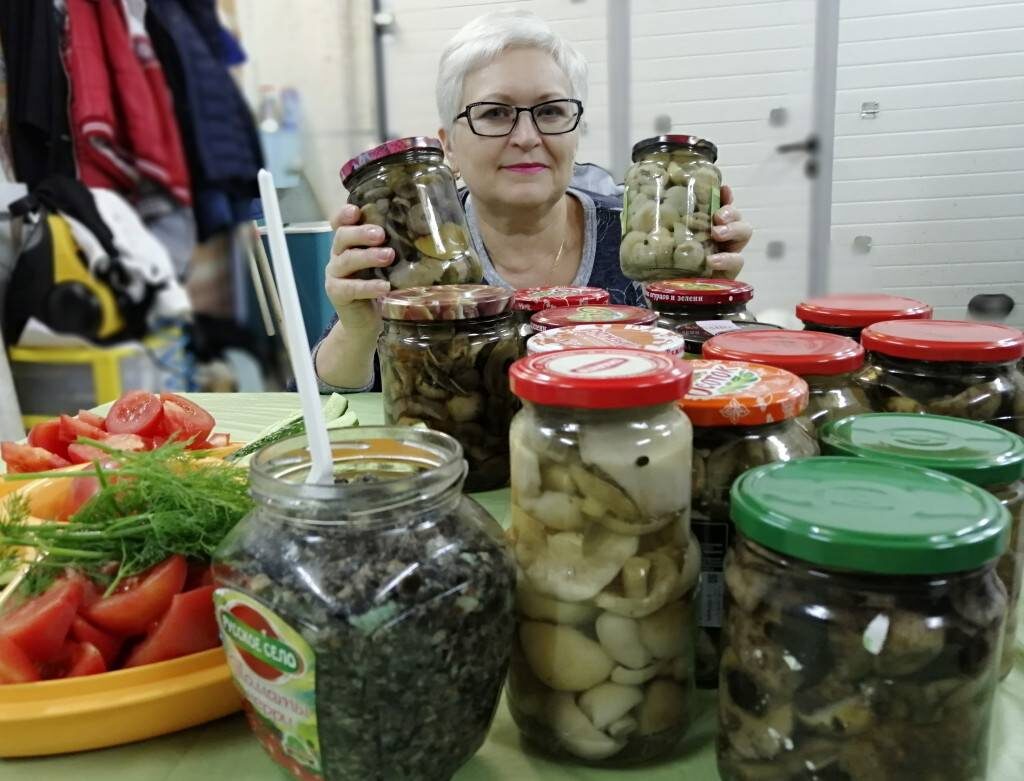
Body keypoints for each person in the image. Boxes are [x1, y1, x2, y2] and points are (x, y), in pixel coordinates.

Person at [314, 10, 752, 391]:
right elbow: (318, 397)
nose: (526, 137)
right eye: (494, 113)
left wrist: (716, 298)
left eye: (550, 112)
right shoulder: (412, 246)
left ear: (576, 132)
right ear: (448, 147)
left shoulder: (641, 237)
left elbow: (719, 377)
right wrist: (358, 329)